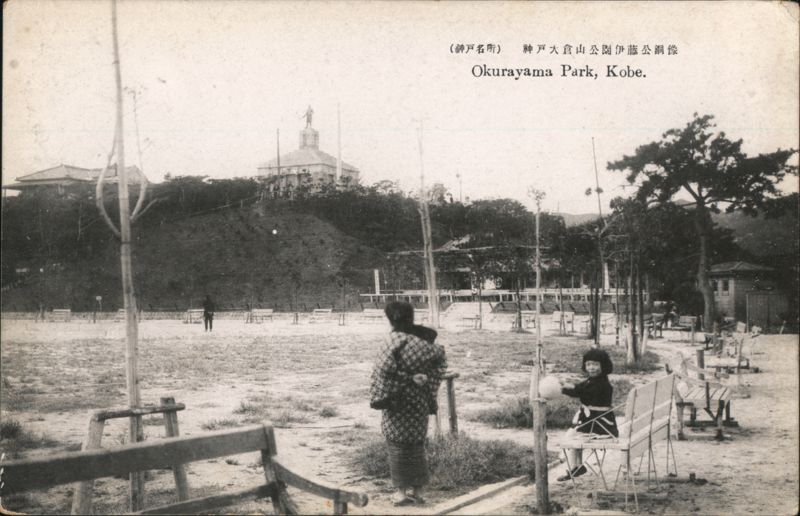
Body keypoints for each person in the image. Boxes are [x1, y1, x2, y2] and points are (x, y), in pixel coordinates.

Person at [369, 301, 447, 506]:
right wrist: (424, 382)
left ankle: (402, 493)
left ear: (389, 318)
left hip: (397, 400)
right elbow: (439, 365)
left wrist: (406, 378)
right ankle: (419, 492)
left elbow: (383, 370)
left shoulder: (393, 340)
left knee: (397, 445)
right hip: (419, 400)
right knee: (417, 445)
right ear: (411, 317)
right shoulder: (425, 343)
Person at [557, 347, 618, 482]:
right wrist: (564, 387)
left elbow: (582, 392)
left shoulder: (602, 384)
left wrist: (564, 390)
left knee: (572, 437)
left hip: (600, 425)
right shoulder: (592, 380)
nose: (592, 368)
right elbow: (579, 388)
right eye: (589, 364)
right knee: (574, 434)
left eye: (596, 365)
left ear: (604, 366)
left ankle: (576, 467)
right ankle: (577, 467)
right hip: (595, 421)